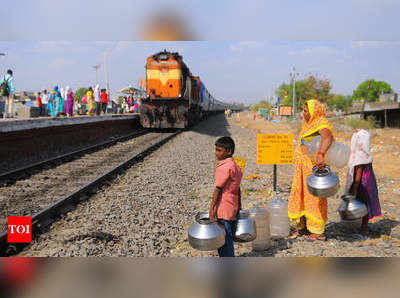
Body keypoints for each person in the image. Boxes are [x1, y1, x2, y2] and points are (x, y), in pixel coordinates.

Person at [288, 99, 334, 241]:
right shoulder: (308, 124)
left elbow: (328, 137)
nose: (304, 113)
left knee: (313, 198)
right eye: (303, 110)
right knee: (300, 194)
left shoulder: (321, 123)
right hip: (301, 168)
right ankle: (302, 227)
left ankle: (317, 231)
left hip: (312, 168)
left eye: (306, 111)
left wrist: (321, 153)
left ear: (315, 111)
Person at [209, 136, 243, 257]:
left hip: (223, 208)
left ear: (228, 151)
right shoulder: (236, 166)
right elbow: (238, 189)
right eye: (216, 150)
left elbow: (218, 189)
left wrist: (212, 210)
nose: (216, 153)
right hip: (232, 206)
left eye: (219, 150)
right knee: (227, 238)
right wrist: (239, 206)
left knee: (224, 241)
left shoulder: (224, 167)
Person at [345, 129, 382, 237]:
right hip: (369, 181)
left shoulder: (359, 154)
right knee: (365, 204)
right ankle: (363, 227)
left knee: (362, 205)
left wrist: (355, 188)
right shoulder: (366, 153)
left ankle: (363, 230)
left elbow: (359, 172)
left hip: (362, 183)